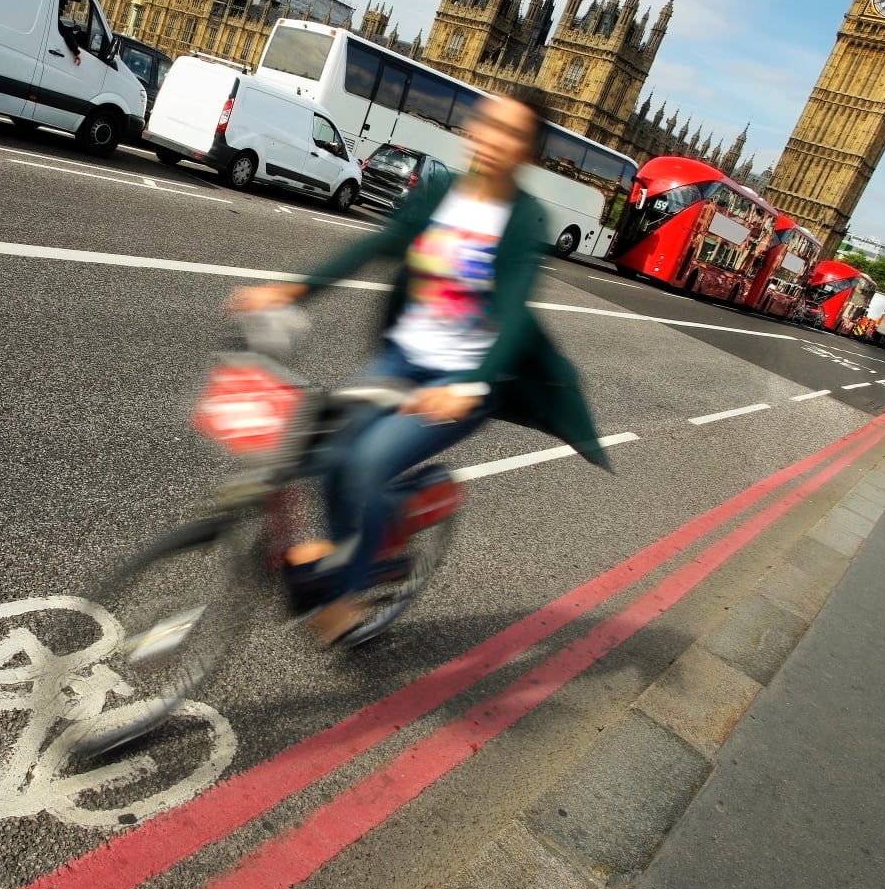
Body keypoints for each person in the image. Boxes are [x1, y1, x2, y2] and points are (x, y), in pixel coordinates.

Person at [228, 92, 609, 644]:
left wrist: (467, 384)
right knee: (331, 453)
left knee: (366, 463)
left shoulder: (526, 219)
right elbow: (379, 244)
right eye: (488, 125)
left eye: (511, 134)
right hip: (405, 357)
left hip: (465, 380)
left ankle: (350, 590)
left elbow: (511, 313)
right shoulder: (441, 192)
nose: (493, 139)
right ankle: (357, 559)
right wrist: (291, 291)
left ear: (528, 152)